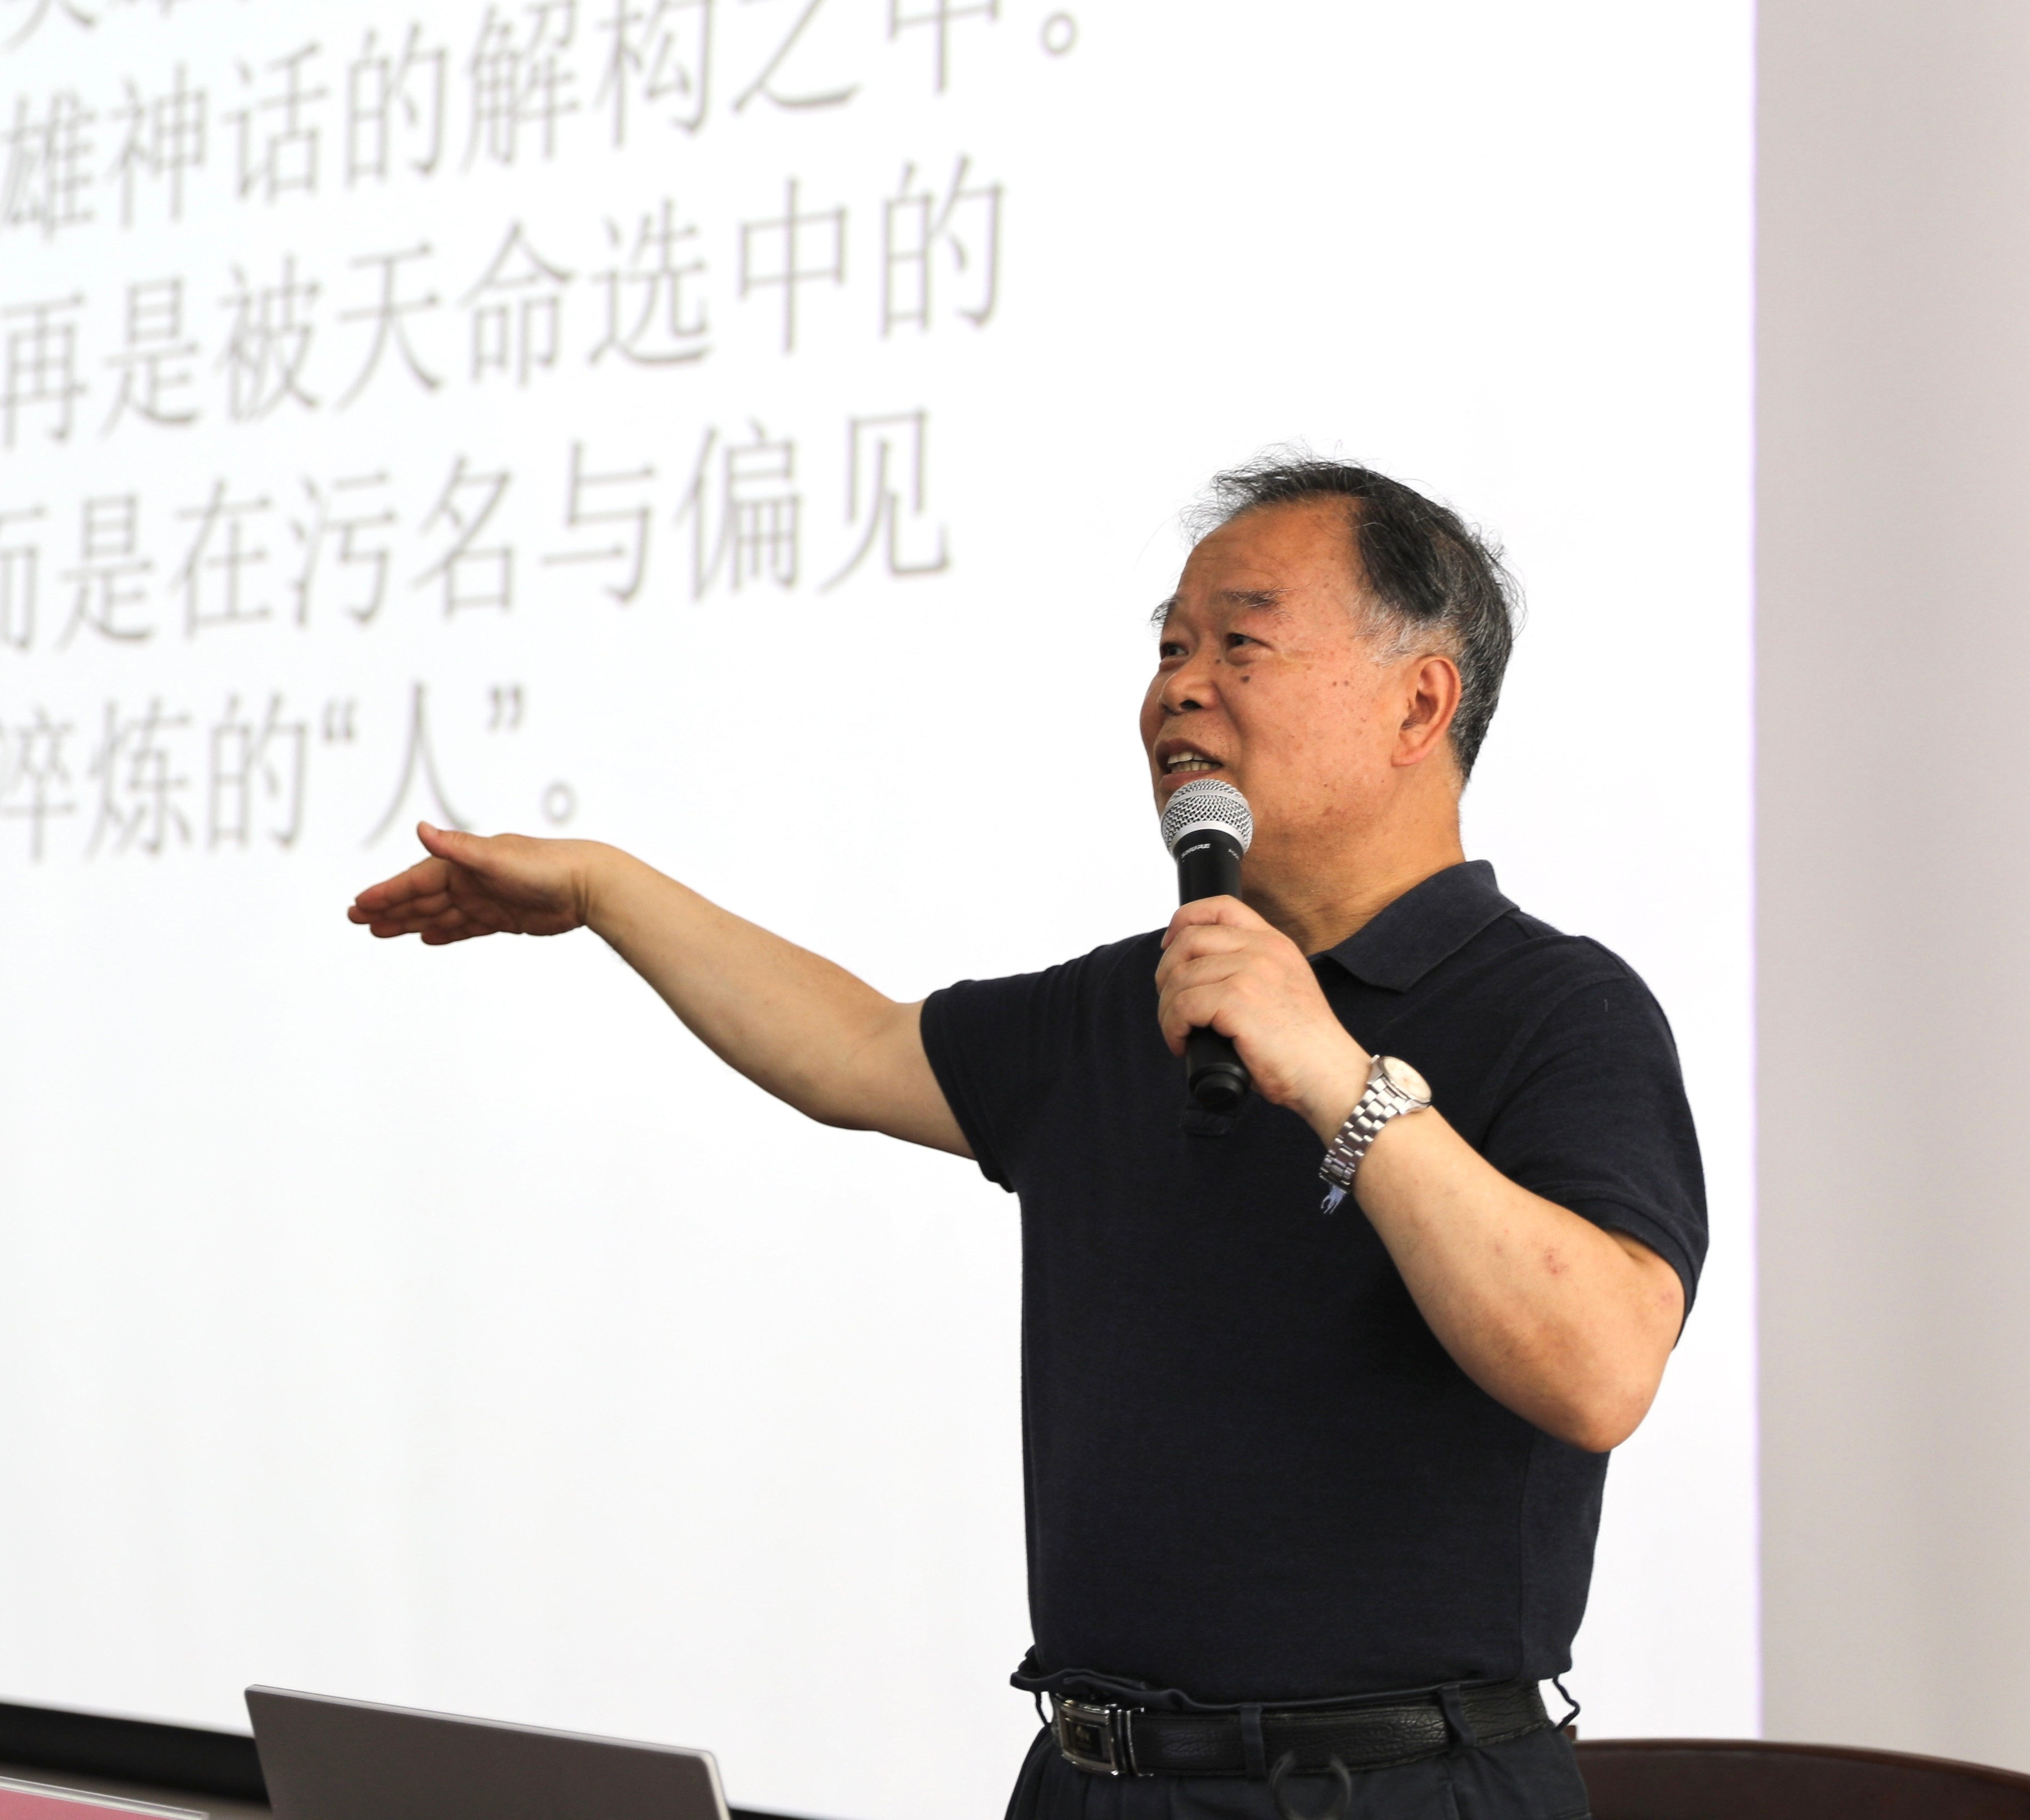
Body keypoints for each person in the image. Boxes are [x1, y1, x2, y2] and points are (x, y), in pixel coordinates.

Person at [344, 456, 1705, 1820]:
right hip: (1092, 1780)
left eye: (1241, 643)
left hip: (1398, 1788)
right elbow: (853, 1046)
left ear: (1420, 700)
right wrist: (603, 887)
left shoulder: (1559, 1006)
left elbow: (1599, 1366)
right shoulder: (1140, 998)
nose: (1181, 688)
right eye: (1169, 648)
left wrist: (1336, 1074)